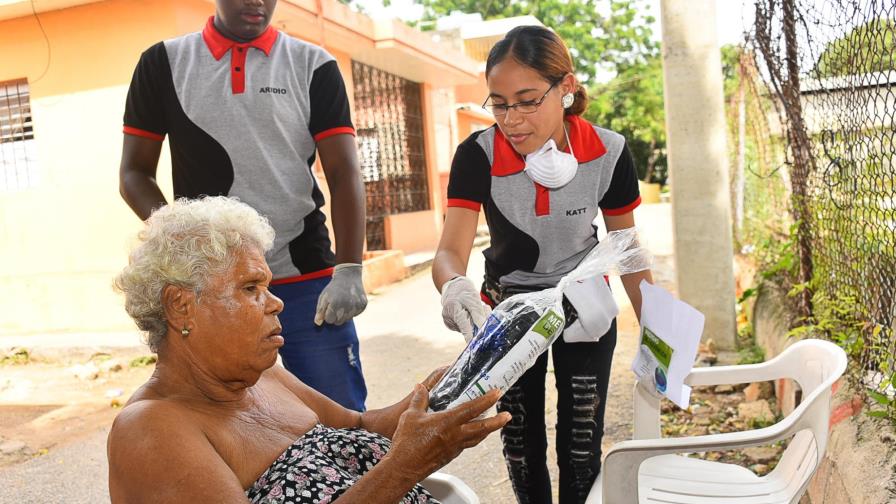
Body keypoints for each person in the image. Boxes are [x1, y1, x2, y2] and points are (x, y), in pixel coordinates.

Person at [108, 196, 511, 503]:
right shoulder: (150, 430)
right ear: (181, 305)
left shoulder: (261, 374)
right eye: (250, 288)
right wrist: (404, 468)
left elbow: (356, 427)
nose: (275, 303)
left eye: (266, 287)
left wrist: (431, 397)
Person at [432, 26, 654, 504]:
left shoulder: (608, 152)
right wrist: (455, 288)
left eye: (528, 100)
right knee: (520, 443)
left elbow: (627, 249)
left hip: (583, 305)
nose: (512, 118)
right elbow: (450, 251)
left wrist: (659, 331)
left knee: (581, 446)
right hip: (510, 308)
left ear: (566, 87)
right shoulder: (478, 156)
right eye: (499, 102)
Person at [118, 0, 369, 410]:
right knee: (233, 425)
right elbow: (134, 174)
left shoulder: (313, 64)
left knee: (339, 417)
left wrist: (349, 268)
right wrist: (180, 237)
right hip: (213, 288)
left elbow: (344, 172)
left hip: (305, 276)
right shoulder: (163, 62)